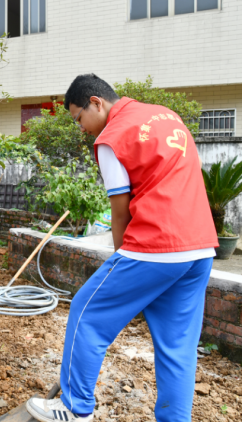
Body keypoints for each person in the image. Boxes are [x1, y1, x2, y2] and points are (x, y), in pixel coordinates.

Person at [26, 74, 218, 422]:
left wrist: (121, 258)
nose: (82, 129)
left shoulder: (112, 138)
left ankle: (74, 407)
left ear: (96, 102)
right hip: (200, 248)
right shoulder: (166, 115)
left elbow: (120, 209)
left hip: (155, 245)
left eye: (79, 118)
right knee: (178, 348)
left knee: (87, 311)